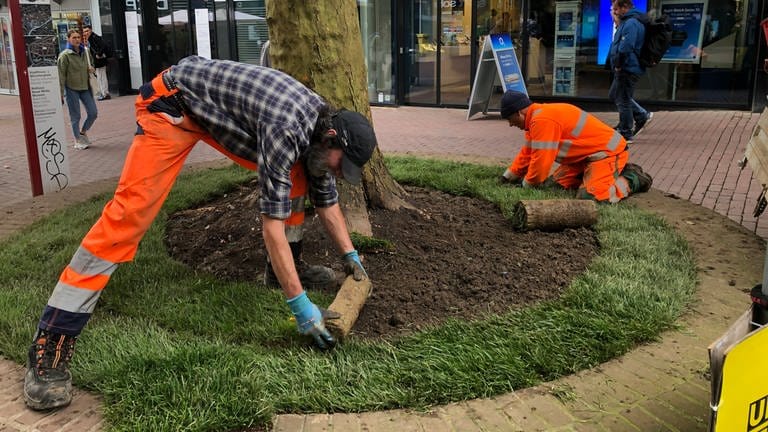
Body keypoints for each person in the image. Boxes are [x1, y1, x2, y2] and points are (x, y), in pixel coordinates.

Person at [24, 56, 376, 411]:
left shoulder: (316, 130)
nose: (337, 172)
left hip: (212, 113)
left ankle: (283, 272)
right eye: (340, 163)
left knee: (301, 177)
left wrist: (351, 258)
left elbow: (327, 200)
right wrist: (300, 306)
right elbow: (271, 227)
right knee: (129, 216)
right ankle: (52, 339)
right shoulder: (286, 128)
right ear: (331, 137)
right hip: (171, 107)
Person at [498, 90, 652, 203]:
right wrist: (508, 177)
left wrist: (527, 186)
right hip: (584, 158)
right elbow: (527, 154)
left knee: (591, 198)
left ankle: (633, 177)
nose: (511, 124)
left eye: (510, 119)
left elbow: (541, 163)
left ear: (519, 113)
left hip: (607, 154)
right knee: (554, 186)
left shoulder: (541, 121)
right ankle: (603, 175)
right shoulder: (535, 120)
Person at [608, 0, 653, 144]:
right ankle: (640, 115)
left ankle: (626, 132)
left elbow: (626, 46)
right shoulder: (628, 21)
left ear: (625, 7)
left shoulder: (632, 23)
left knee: (623, 100)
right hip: (626, 66)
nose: (614, 11)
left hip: (627, 67)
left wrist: (619, 64)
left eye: (616, 9)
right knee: (615, 95)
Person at [57, 29, 98, 150]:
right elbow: (61, 76)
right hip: (71, 88)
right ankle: (77, 139)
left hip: (85, 87)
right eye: (74, 37)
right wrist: (60, 93)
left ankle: (83, 132)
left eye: (78, 37)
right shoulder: (64, 56)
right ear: (68, 39)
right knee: (75, 116)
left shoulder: (85, 51)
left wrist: (92, 69)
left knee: (93, 113)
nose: (76, 40)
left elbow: (92, 65)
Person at [82, 25, 112, 100]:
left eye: (87, 31)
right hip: (98, 61)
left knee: (101, 77)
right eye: (84, 31)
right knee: (100, 77)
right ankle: (104, 93)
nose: (86, 33)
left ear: (91, 30)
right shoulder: (90, 38)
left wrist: (99, 54)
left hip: (100, 61)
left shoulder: (94, 37)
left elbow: (104, 45)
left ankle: (105, 93)